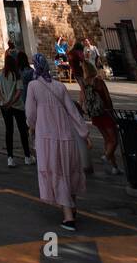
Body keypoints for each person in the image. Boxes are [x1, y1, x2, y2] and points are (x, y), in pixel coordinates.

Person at [25, 52, 90, 231]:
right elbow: (73, 111)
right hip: (66, 136)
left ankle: (68, 217)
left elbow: (30, 115)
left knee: (57, 172)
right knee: (69, 171)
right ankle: (73, 207)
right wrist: (84, 133)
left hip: (47, 137)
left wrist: (31, 127)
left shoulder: (33, 86)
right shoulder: (60, 86)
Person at [0, 51, 35, 168]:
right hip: (17, 106)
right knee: (22, 130)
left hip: (4, 106)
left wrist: (4, 100)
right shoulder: (16, 75)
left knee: (9, 130)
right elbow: (19, 91)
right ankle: (27, 157)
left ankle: (10, 158)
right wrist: (11, 101)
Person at [81, 59, 121, 174]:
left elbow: (83, 99)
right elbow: (107, 97)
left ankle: (114, 167)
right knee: (114, 140)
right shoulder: (98, 81)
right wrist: (111, 110)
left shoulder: (84, 82)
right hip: (105, 112)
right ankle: (106, 156)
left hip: (94, 114)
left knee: (107, 139)